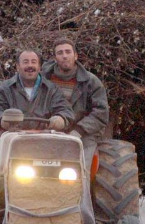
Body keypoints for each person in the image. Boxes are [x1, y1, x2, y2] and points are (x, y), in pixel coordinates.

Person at [0, 48, 74, 213]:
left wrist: (61, 119)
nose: (30, 66)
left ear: (40, 67)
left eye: (34, 62)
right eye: (25, 62)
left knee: (67, 166)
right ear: (18, 67)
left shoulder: (51, 89)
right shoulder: (4, 89)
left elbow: (65, 110)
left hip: (44, 140)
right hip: (12, 139)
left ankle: (66, 201)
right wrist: (3, 120)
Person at [42, 37, 109, 168]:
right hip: (48, 130)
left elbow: (101, 112)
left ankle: (83, 184)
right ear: (55, 58)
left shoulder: (91, 82)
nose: (64, 56)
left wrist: (78, 130)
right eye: (60, 53)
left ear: (76, 56)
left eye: (68, 52)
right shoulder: (42, 80)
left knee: (80, 168)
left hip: (82, 133)